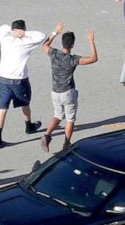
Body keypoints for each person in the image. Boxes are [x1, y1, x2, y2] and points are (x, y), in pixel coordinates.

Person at [39, 23, 98, 152]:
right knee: (70, 119)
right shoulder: (72, 59)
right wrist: (91, 41)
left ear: (62, 43)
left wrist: (55, 31)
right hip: (68, 92)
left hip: (55, 91)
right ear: (72, 45)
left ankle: (47, 135)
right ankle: (66, 143)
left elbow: (44, 45)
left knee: (58, 115)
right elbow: (93, 58)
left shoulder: (53, 54)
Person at [0, 20, 45, 148]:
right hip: (19, 80)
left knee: (2, 109)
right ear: (23, 29)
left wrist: (12, 32)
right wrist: (24, 34)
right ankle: (28, 126)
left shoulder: (5, 39)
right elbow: (41, 35)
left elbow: (1, 27)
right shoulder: (25, 42)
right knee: (25, 103)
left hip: (4, 79)